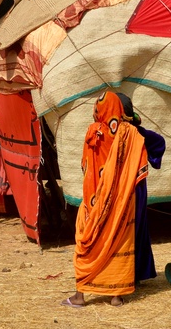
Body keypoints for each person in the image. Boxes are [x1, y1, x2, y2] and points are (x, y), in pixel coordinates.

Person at [62, 91, 155, 308]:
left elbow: (87, 165)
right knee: (119, 242)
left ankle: (80, 296)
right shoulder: (131, 133)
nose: (94, 112)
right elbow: (140, 166)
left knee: (88, 241)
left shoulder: (94, 131)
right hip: (122, 201)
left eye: (96, 107)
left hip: (96, 201)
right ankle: (116, 296)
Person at [116, 92, 166, 284]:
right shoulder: (110, 131)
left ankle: (130, 274)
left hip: (133, 187)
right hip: (126, 187)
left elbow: (159, 142)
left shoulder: (134, 133)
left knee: (131, 228)